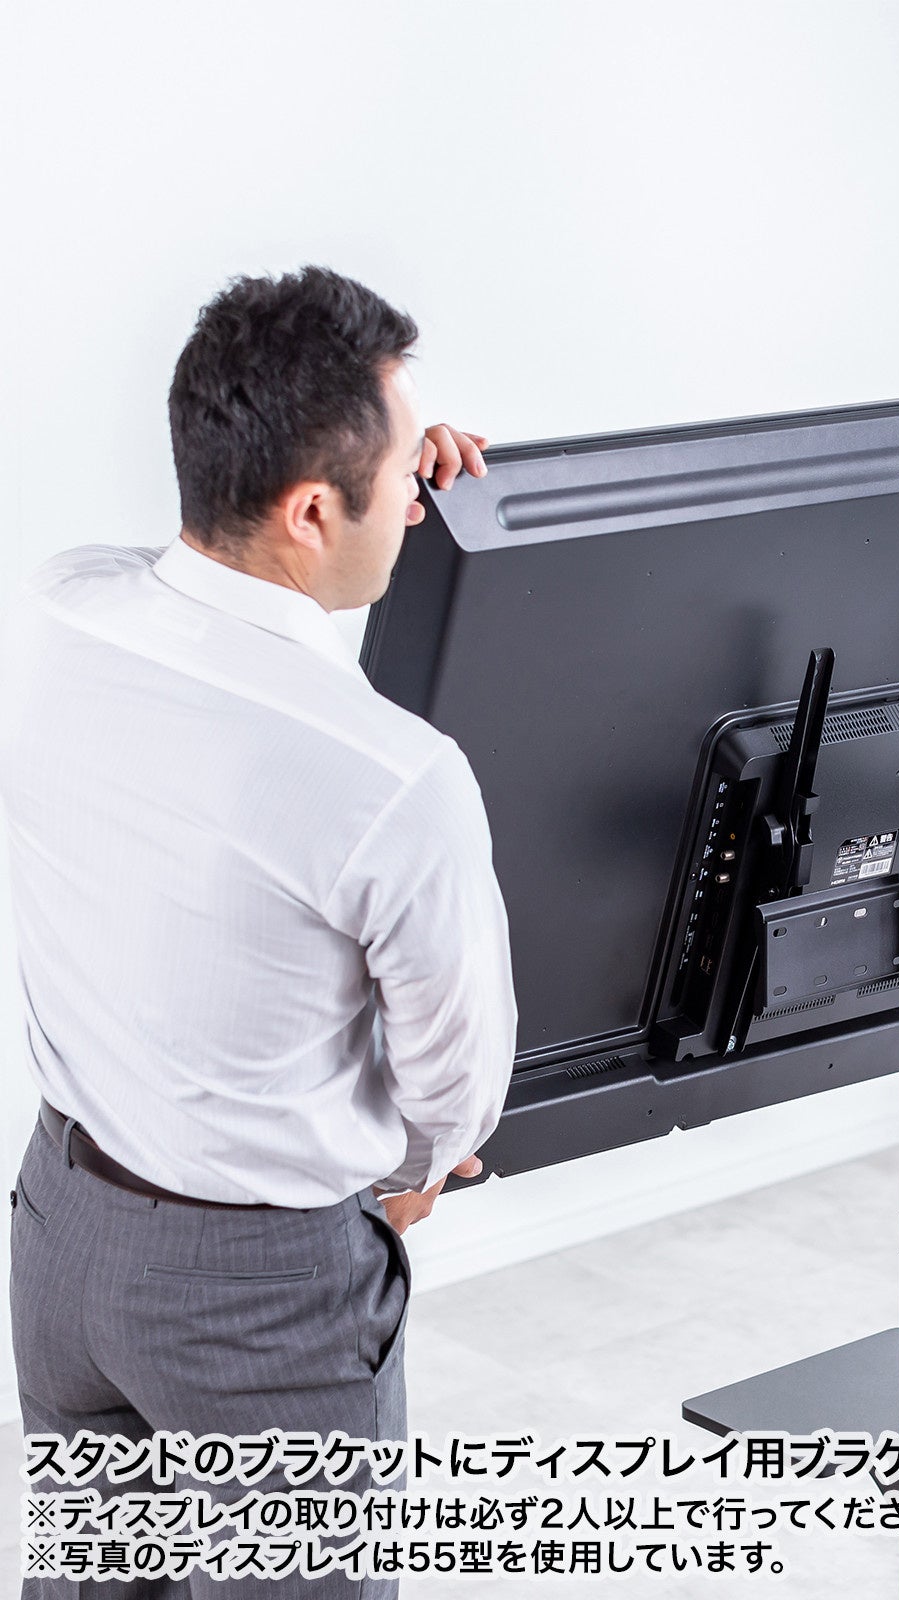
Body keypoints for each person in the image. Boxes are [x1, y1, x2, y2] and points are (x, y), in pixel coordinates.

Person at [1, 266, 517, 1597]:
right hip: (261, 1293)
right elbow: (456, 1089)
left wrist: (368, 465)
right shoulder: (399, 780)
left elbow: (229, 624)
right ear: (311, 510)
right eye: (400, 474)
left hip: (61, 1235)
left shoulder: (57, 609)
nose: (418, 494)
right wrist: (411, 1177)